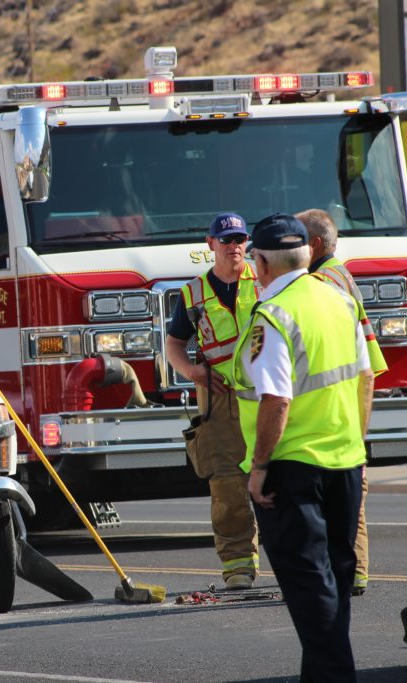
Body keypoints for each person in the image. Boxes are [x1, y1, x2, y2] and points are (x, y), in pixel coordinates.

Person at [233, 213, 373, 682]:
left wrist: (258, 469)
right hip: (345, 461)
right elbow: (366, 377)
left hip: (292, 469)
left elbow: (276, 399)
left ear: (262, 264)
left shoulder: (273, 314)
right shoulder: (340, 300)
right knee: (332, 581)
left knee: (311, 590)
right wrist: (356, 443)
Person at [165, 212, 260, 590]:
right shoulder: (193, 293)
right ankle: (238, 565)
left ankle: (294, 561)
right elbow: (173, 344)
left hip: (264, 393)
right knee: (226, 483)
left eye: (239, 239)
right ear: (210, 244)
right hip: (218, 399)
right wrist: (192, 373)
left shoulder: (265, 280)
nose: (234, 246)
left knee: (280, 476)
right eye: (226, 240)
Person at [297, 208, 387, 597]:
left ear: (314, 244)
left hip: (341, 400)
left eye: (297, 239)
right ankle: (356, 573)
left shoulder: (321, 282)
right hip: (352, 394)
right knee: (351, 489)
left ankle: (349, 572)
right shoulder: (340, 273)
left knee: (342, 494)